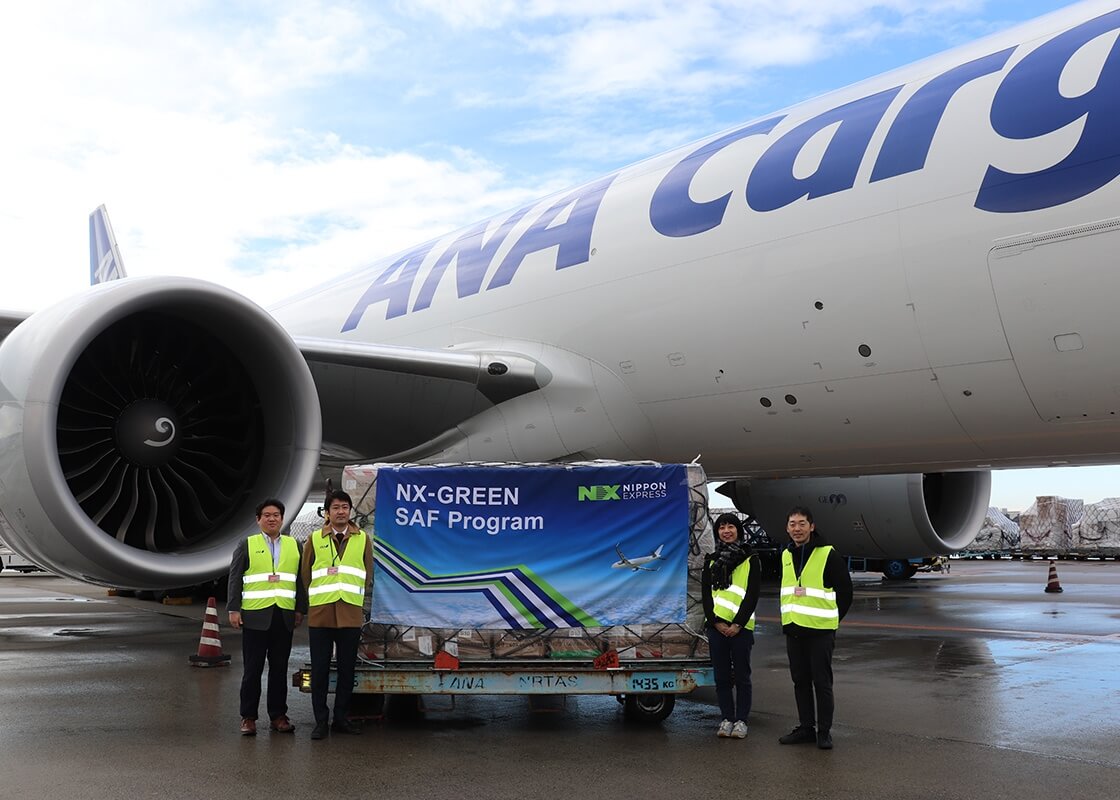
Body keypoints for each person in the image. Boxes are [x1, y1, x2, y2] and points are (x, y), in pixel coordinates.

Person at [227, 498, 306, 736]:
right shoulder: (247, 544)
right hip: (255, 617)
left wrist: (300, 609)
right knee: (252, 669)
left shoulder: (294, 545)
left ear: (282, 519)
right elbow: (235, 578)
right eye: (267, 515)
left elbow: (299, 580)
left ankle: (278, 715)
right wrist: (233, 609)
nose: (272, 519)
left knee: (279, 669)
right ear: (258, 519)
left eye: (276, 515)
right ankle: (248, 717)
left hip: (283, 615)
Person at [777, 506, 853, 750]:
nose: (797, 529)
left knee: (822, 683)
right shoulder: (786, 555)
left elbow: (845, 592)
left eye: (802, 524)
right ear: (787, 528)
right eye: (792, 524)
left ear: (812, 527)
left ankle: (824, 731)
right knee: (800, 681)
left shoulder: (828, 554)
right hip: (794, 629)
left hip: (820, 632)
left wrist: (831, 619)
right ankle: (806, 728)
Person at [301, 489, 374, 740]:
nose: (341, 512)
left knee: (346, 670)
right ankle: (321, 721)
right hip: (321, 614)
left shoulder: (362, 539)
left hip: (350, 613)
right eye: (335, 507)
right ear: (327, 512)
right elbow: (306, 574)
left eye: (345, 507)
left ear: (350, 511)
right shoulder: (314, 539)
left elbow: (367, 574)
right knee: (320, 670)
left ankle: (341, 718)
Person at [701, 512, 760, 739]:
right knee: (722, 677)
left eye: (731, 527)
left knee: (742, 677)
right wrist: (715, 622)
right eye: (722, 527)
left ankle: (741, 720)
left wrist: (737, 624)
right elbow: (706, 595)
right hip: (717, 628)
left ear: (738, 530)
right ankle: (726, 718)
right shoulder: (711, 561)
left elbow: (752, 594)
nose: (726, 531)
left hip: (740, 629)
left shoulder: (750, 559)